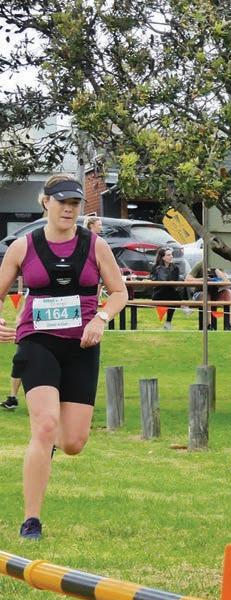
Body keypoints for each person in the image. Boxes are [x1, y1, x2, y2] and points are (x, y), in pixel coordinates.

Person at [0, 174, 127, 540]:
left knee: (72, 442)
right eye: (62, 202)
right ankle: (31, 521)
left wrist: (101, 319)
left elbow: (119, 292)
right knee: (43, 426)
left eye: (74, 204)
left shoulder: (95, 245)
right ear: (46, 202)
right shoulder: (23, 247)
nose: (69, 209)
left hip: (81, 347)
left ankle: (48, 448)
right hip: (37, 342)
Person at [185, 260, 231, 330]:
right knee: (206, 295)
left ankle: (229, 325)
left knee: (228, 292)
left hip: (215, 293)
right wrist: (203, 279)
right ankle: (209, 325)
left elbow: (227, 281)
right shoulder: (200, 264)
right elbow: (187, 279)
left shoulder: (218, 265)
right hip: (200, 294)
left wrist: (216, 270)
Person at [150, 247, 183, 330]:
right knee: (170, 290)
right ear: (163, 257)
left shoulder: (175, 268)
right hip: (159, 294)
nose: (171, 256)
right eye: (168, 255)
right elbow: (160, 282)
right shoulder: (156, 267)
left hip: (171, 294)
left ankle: (168, 323)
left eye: (171, 255)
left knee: (172, 290)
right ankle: (184, 306)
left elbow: (175, 282)